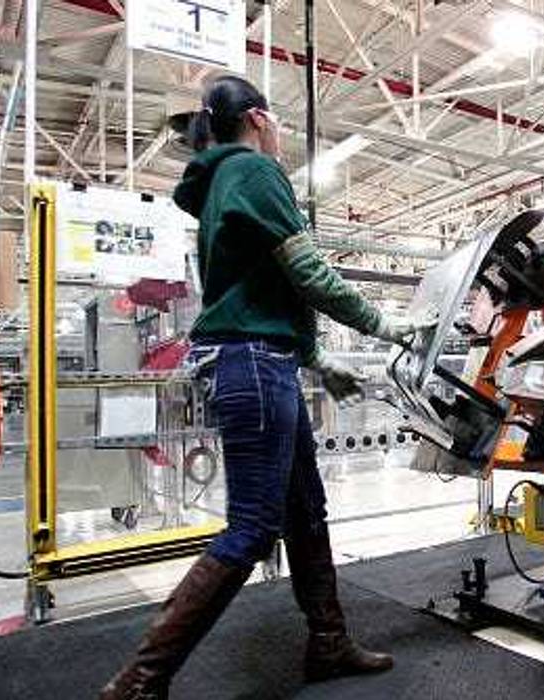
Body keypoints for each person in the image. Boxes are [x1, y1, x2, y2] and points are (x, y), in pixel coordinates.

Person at [101, 76, 425, 699]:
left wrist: (314, 358)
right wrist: (389, 326)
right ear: (258, 118)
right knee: (251, 527)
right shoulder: (255, 173)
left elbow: (261, 289)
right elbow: (310, 275)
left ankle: (328, 642)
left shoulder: (220, 180)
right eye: (275, 121)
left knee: (305, 507)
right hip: (254, 366)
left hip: (260, 361)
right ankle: (140, 681)